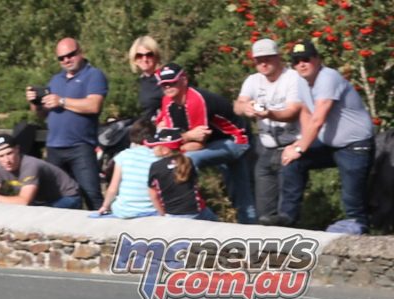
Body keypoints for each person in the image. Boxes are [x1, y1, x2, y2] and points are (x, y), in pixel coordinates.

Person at [267, 39, 375, 232]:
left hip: (355, 145)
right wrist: (297, 145)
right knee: (292, 161)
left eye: (306, 59)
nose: (301, 64)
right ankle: (287, 217)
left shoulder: (327, 77)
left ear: (317, 59)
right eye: (296, 61)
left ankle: (358, 226)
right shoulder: (301, 81)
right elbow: (307, 113)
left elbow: (318, 118)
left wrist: (300, 147)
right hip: (329, 143)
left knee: (351, 198)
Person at [155, 62, 256, 224]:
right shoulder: (167, 101)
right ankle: (249, 229)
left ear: (184, 80)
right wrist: (185, 137)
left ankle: (192, 211)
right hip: (216, 142)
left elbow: (198, 143)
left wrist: (178, 141)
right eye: (164, 85)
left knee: (188, 159)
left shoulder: (195, 100)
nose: (168, 87)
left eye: (172, 82)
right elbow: (167, 137)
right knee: (240, 193)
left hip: (236, 141)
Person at [26, 38, 107, 210]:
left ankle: (102, 233)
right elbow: (41, 114)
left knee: (91, 194)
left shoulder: (93, 75)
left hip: (80, 146)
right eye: (61, 58)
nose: (66, 60)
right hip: (54, 147)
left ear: (80, 52)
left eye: (70, 55)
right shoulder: (56, 80)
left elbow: (94, 105)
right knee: (56, 197)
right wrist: (35, 102)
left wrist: (62, 101)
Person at [234, 39, 309, 224]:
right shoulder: (253, 80)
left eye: (268, 58)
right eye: (259, 60)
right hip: (265, 149)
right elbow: (237, 105)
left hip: (290, 148)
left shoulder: (293, 78)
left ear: (278, 57)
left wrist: (269, 114)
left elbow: (292, 112)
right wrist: (246, 108)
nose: (263, 64)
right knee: (264, 213)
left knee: (286, 212)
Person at [0, 134, 81, 211]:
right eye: (1, 156)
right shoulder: (0, 167)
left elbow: (23, 201)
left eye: (9, 153)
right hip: (43, 201)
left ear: (17, 149)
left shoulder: (30, 165)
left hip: (67, 197)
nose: (7, 160)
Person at [146, 128, 217, 220]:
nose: (153, 150)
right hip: (197, 211)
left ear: (165, 150)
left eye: (155, 147)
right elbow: (195, 187)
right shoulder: (188, 161)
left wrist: (162, 214)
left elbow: (153, 195)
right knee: (216, 223)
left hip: (174, 215)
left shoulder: (155, 167)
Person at [94, 119, 158, 218]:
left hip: (125, 210)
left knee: (115, 202)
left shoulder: (123, 156)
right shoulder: (156, 157)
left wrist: (104, 206)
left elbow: (113, 188)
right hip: (151, 208)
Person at [128, 36, 163, 121]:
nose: (145, 59)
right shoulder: (136, 82)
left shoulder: (164, 80)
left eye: (149, 55)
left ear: (156, 57)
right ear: (134, 59)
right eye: (139, 55)